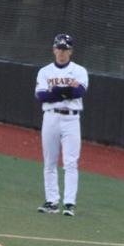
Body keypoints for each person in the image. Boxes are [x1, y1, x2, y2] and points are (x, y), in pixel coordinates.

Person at [35, 33, 88, 216]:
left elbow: (79, 92)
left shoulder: (79, 70)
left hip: (72, 119)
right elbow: (41, 96)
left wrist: (56, 92)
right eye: (59, 48)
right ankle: (52, 201)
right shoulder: (45, 71)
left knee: (70, 162)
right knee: (49, 162)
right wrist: (65, 91)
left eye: (65, 49)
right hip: (50, 118)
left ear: (71, 51)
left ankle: (69, 203)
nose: (61, 52)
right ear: (53, 49)